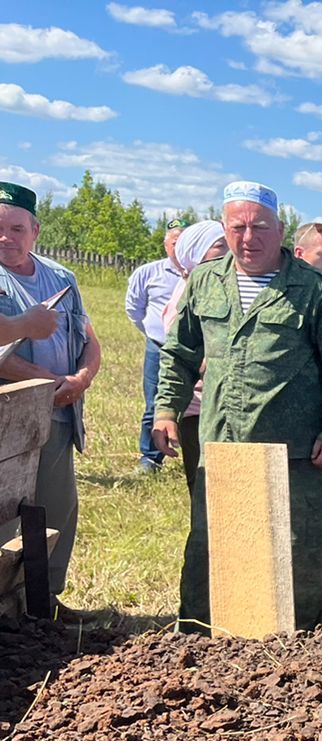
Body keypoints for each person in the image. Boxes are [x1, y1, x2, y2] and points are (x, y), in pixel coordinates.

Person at [154, 182, 322, 632]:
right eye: (238, 226)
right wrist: (166, 410)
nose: (249, 237)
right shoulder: (205, 281)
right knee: (212, 541)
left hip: (296, 451)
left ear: (280, 229)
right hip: (223, 442)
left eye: (260, 226)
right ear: (225, 228)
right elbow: (179, 353)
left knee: (298, 544)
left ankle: (296, 642)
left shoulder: (313, 289)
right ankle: (198, 633)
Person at [0, 180, 102, 618]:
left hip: (58, 413)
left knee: (56, 505)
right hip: (9, 416)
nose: (6, 237)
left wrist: (81, 377)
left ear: (36, 230)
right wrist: (44, 378)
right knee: (7, 510)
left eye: (16, 228)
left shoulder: (62, 277)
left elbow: (89, 337)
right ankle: (7, 604)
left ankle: (46, 602)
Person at [158, 219, 227, 491]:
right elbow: (181, 356)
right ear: (197, 255)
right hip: (200, 410)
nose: (228, 252)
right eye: (219, 245)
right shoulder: (186, 297)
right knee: (207, 492)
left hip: (221, 407)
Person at [124, 221, 184, 473]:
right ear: (165, 244)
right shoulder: (148, 273)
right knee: (154, 404)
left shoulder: (200, 273)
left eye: (184, 243)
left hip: (193, 352)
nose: (178, 249)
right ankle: (150, 458)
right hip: (158, 348)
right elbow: (134, 309)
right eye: (174, 243)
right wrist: (153, 333)